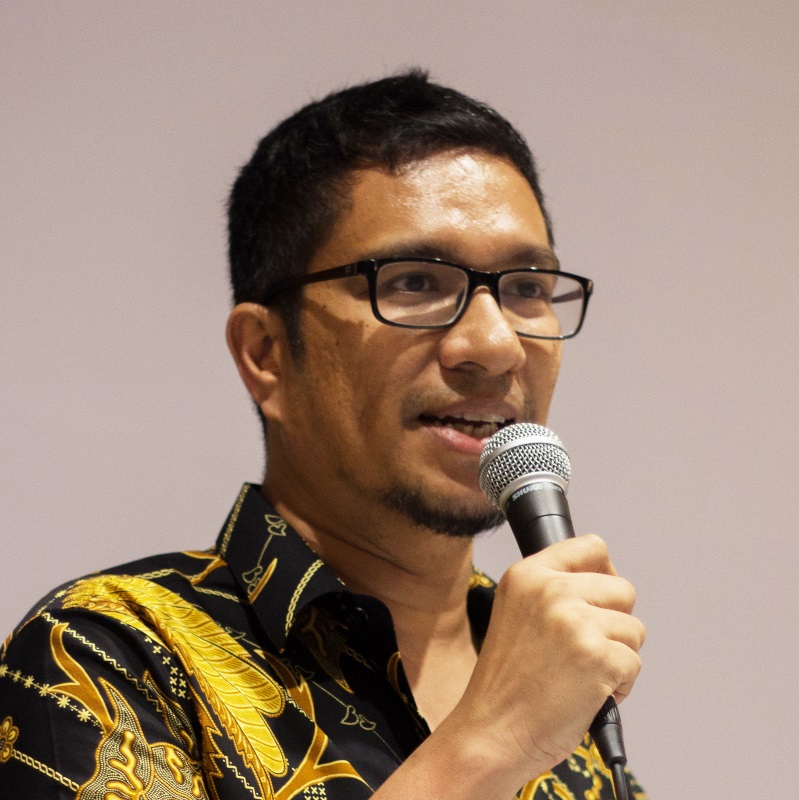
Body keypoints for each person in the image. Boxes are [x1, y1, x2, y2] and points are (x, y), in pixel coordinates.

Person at [0, 70, 646, 799]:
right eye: (414, 282)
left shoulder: (555, 676)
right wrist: (488, 746)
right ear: (265, 354)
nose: (495, 345)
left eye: (527, 288)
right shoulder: (107, 654)